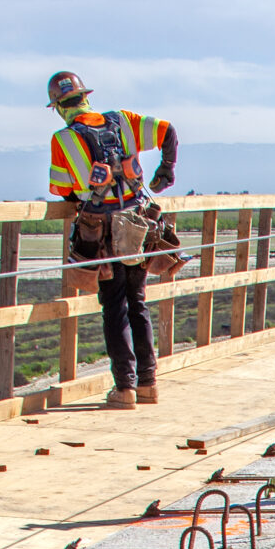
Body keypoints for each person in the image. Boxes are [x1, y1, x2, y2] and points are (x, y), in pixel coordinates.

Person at [45, 70, 178, 409]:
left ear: (59, 107)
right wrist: (167, 169)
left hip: (101, 231)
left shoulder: (63, 140)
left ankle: (125, 388)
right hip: (137, 225)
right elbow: (168, 131)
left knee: (114, 308)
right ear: (85, 97)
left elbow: (63, 191)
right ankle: (148, 383)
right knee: (137, 302)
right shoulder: (122, 121)